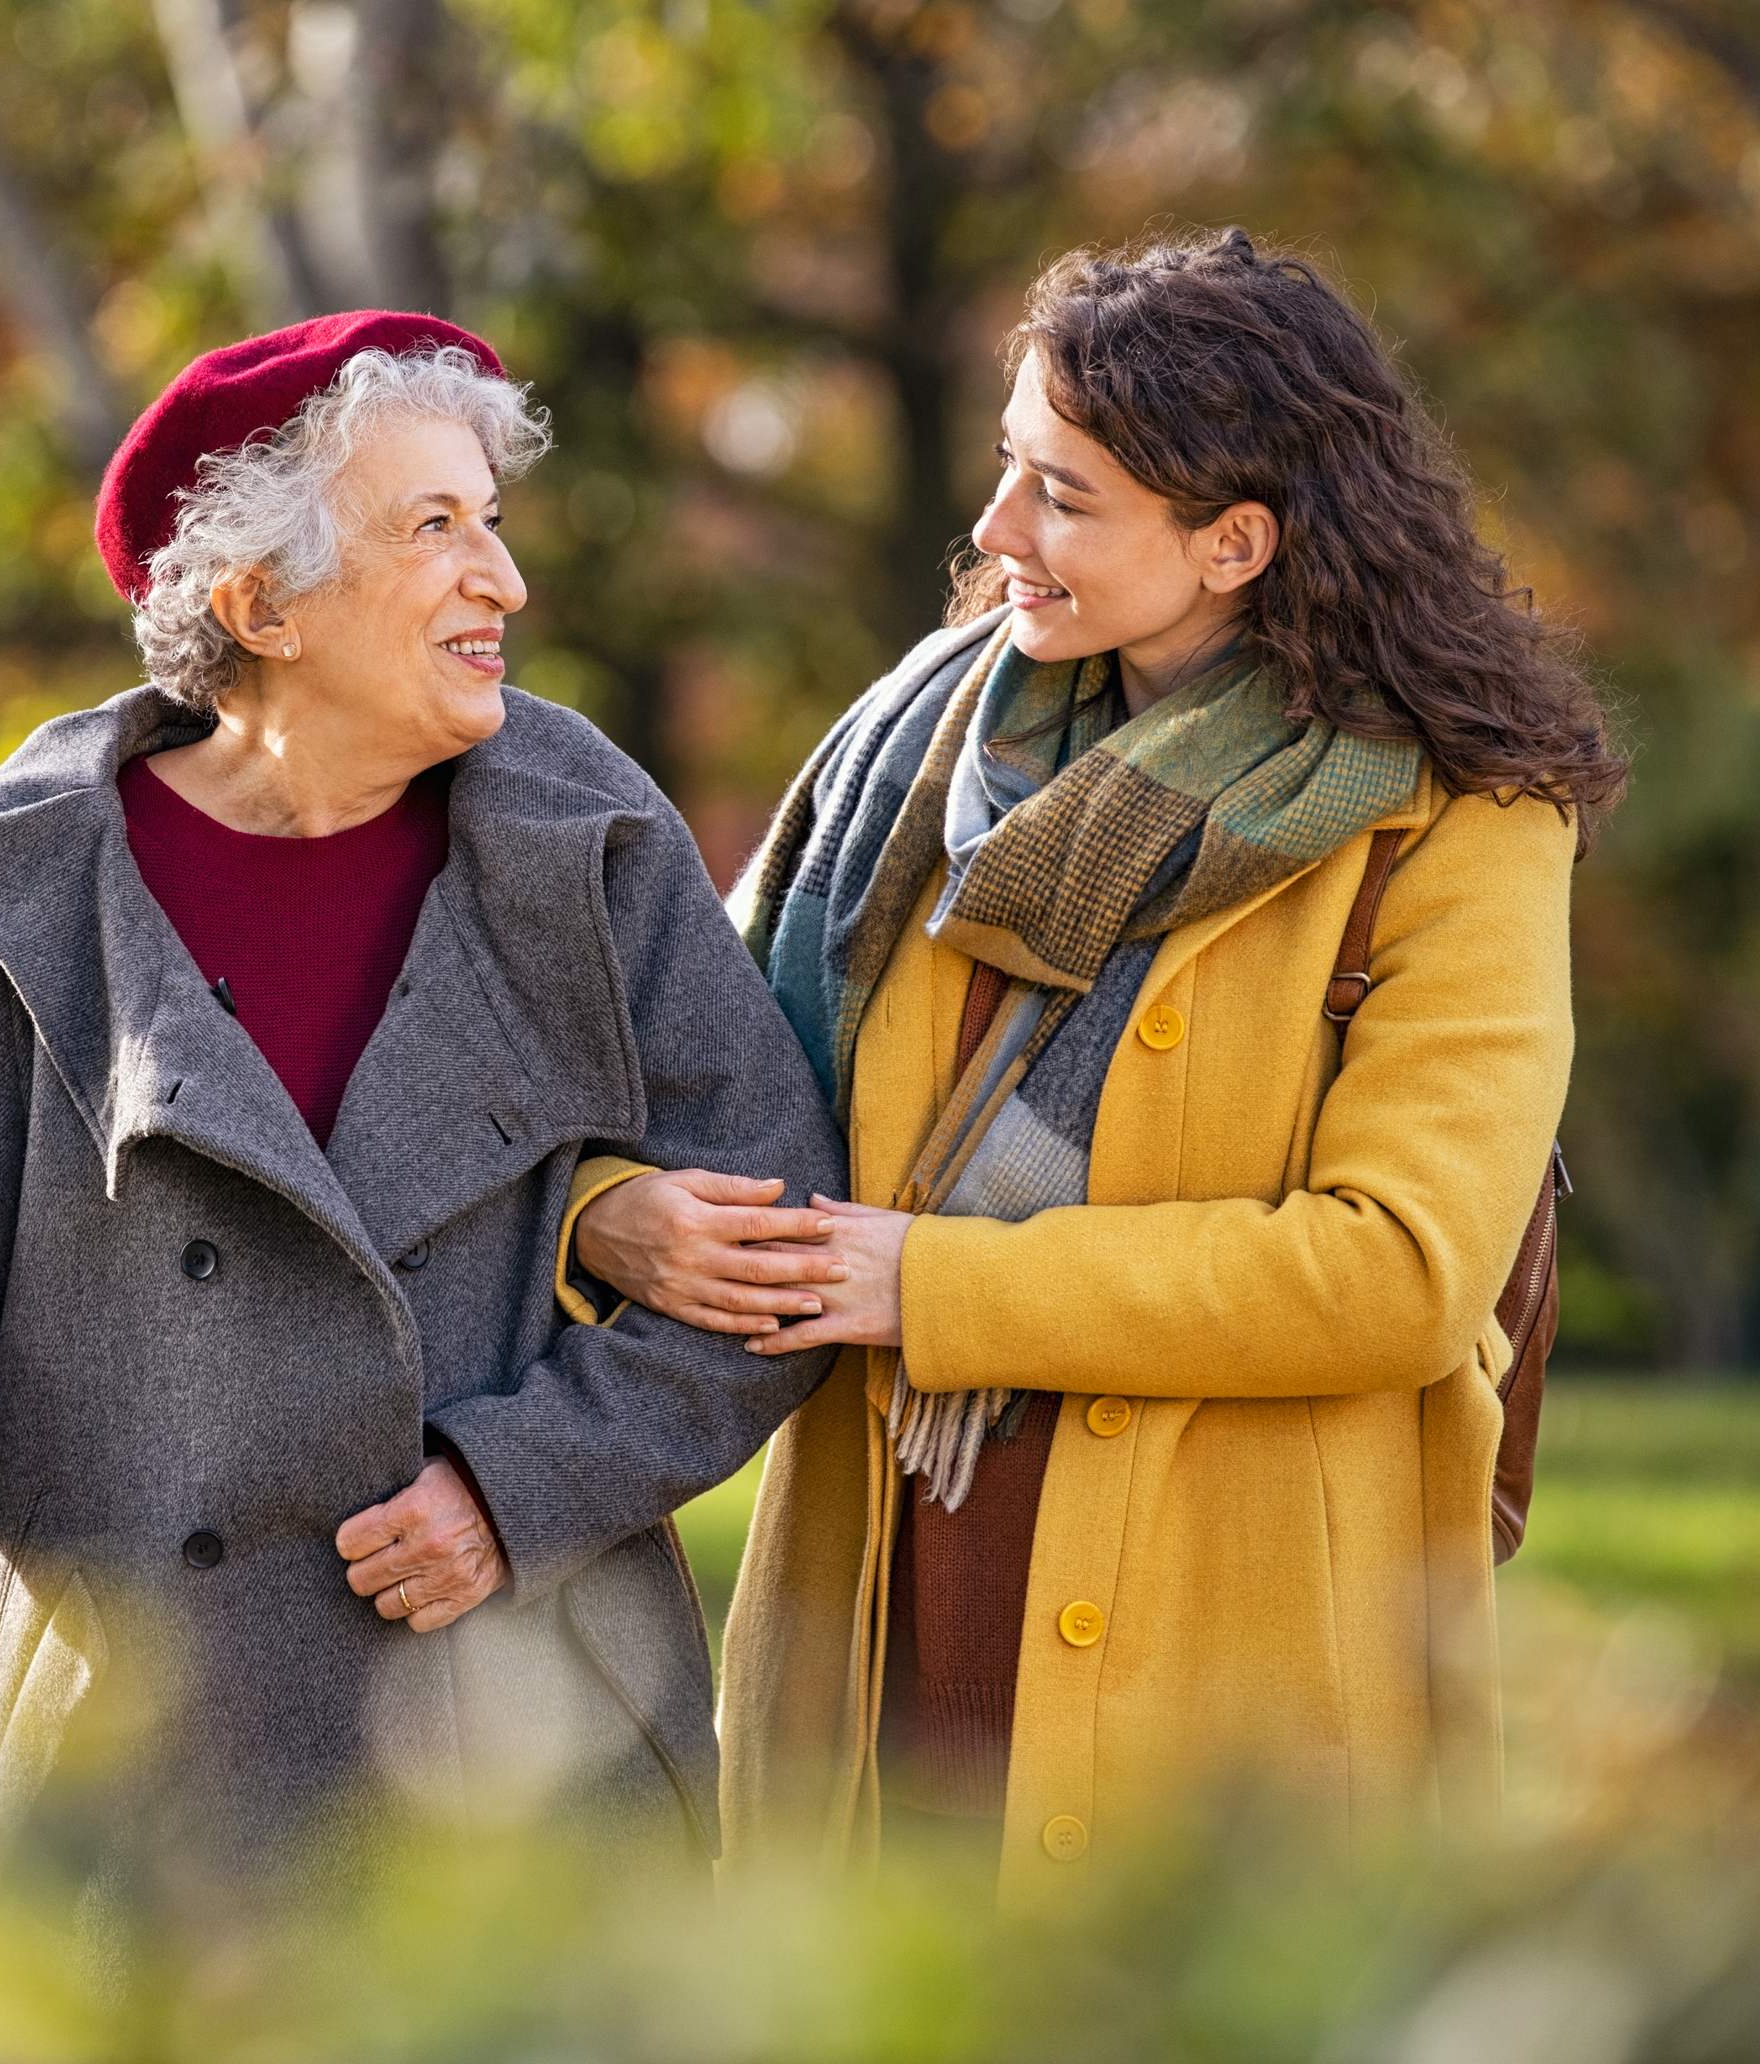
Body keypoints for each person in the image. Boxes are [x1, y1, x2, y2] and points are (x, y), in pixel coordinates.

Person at [0, 311, 845, 1913]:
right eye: (435, 528)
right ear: (260, 603)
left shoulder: (585, 836)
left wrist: (521, 1483)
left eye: (493, 519)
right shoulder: (25, 887)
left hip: (526, 1746)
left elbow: (780, 1246)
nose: (503, 581)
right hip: (140, 1764)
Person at [560, 230, 1623, 1900]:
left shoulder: (1462, 824)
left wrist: (942, 1287)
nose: (994, 534)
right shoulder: (910, 767)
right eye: (1007, 469)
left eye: (1063, 494)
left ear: (1233, 542)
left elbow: (1402, 1270)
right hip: (877, 1654)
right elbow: (670, 1082)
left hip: (1234, 1705)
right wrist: (615, 1214)